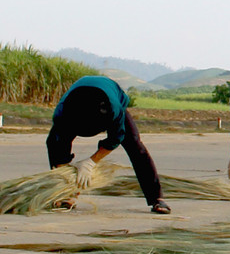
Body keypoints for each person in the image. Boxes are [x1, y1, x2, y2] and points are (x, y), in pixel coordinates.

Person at [46, 75, 170, 214]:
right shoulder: (63, 113)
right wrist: (67, 178)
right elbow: (55, 145)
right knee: (54, 143)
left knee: (135, 146)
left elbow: (116, 138)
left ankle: (157, 199)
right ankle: (65, 195)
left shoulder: (114, 109)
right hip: (77, 104)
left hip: (110, 95)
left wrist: (90, 163)